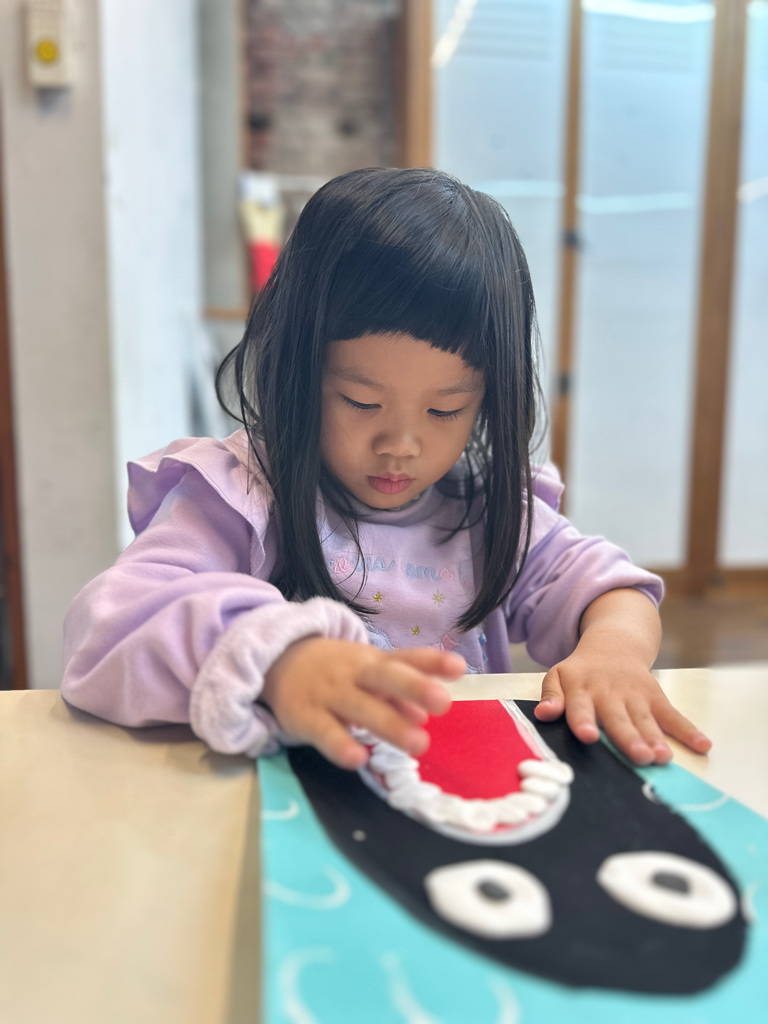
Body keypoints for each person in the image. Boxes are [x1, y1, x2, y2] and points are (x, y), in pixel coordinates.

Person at [61, 167, 711, 771]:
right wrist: (278, 661)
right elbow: (109, 624)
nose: (400, 444)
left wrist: (615, 654)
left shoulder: (487, 513)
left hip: (451, 791)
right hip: (297, 799)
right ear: (299, 370)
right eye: (361, 401)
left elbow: (610, 588)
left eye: (445, 410)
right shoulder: (243, 495)